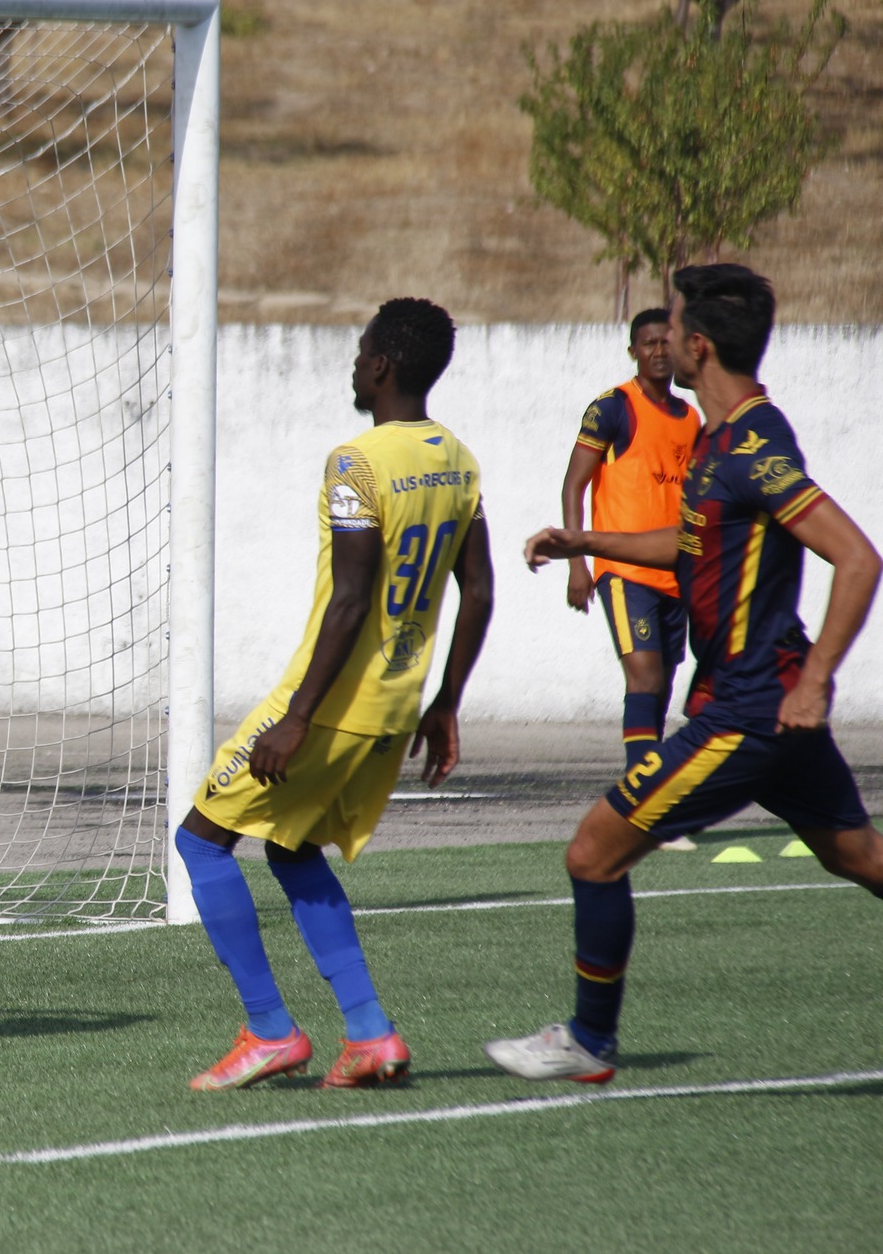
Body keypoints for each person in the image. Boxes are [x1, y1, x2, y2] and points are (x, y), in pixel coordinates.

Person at [490, 264, 881, 1085]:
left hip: (752, 707)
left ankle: (589, 1041)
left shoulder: (755, 447)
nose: (661, 335)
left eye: (669, 324)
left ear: (697, 346)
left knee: (594, 851)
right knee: (861, 859)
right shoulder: (717, 438)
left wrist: (814, 681)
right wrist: (587, 543)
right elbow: (692, 542)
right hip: (759, 700)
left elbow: (856, 556)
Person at [183, 299, 493, 1091]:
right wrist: (447, 700)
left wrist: (296, 716)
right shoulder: (458, 460)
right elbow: (480, 591)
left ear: (382, 365)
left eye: (361, 354)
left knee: (201, 839)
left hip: (331, 703)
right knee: (290, 847)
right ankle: (370, 1034)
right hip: (396, 707)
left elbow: (350, 600)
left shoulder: (356, 461)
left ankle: (269, 1030)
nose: (354, 367)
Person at [559, 308, 701, 779]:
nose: (659, 351)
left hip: (676, 573)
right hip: (624, 573)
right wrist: (578, 565)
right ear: (633, 352)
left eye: (666, 342)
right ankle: (642, 797)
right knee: (644, 676)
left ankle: (648, 781)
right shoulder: (613, 407)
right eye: (648, 344)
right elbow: (573, 485)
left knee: (660, 689)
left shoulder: (690, 418)